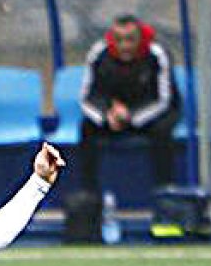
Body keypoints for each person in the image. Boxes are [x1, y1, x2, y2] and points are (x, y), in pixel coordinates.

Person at [77, 14, 182, 194]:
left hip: (151, 113)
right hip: (113, 113)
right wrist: (106, 116)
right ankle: (89, 196)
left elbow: (164, 99)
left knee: (162, 131)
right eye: (119, 40)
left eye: (130, 39)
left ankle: (165, 192)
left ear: (140, 38)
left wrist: (131, 116)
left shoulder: (157, 54)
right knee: (87, 128)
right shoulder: (98, 53)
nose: (125, 46)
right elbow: (87, 98)